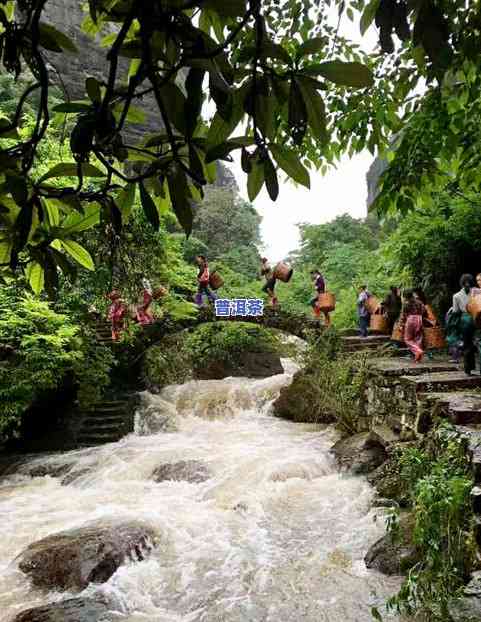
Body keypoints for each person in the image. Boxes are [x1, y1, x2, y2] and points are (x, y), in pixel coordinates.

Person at [448, 274, 477, 374]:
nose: (467, 285)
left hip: (467, 319)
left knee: (468, 344)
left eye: (468, 283)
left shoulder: (456, 296)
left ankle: (468, 368)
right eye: (466, 283)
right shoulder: (477, 292)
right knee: (469, 344)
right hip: (470, 319)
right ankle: (469, 368)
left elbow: (455, 311)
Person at [399, 289, 426, 362]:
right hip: (419, 318)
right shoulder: (419, 302)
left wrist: (401, 324)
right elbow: (424, 310)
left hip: (411, 319)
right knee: (418, 337)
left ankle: (418, 351)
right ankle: (418, 358)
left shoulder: (406, 303)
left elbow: (403, 315)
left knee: (407, 339)